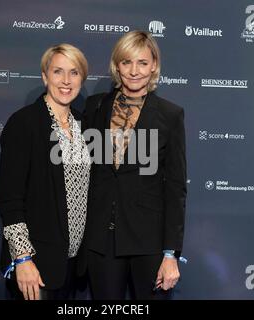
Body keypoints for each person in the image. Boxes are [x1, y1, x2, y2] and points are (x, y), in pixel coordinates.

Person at [82, 31, 187, 300]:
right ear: (117, 65)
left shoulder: (170, 115)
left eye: (142, 62)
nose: (134, 71)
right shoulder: (94, 107)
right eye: (127, 62)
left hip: (149, 244)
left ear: (154, 65)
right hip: (101, 242)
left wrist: (170, 253)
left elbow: (175, 189)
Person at [0, 44, 90, 300]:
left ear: (82, 78)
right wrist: (23, 258)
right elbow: (9, 199)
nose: (66, 81)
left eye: (74, 72)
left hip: (73, 264)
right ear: (44, 76)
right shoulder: (25, 123)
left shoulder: (85, 126)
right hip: (36, 266)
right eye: (58, 71)